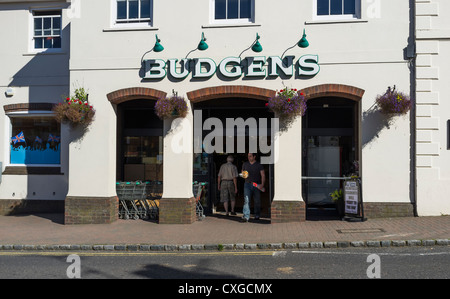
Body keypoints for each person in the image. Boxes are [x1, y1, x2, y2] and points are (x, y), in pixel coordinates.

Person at [241, 153, 265, 222]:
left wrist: (262, 185)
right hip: (247, 184)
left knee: (257, 201)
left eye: (250, 156)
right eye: (248, 156)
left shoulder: (259, 165)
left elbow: (263, 175)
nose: (249, 157)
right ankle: (246, 216)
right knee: (246, 200)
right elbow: (242, 173)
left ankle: (257, 215)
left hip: (256, 185)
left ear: (254, 157)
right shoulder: (245, 164)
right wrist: (243, 175)